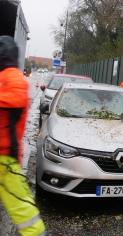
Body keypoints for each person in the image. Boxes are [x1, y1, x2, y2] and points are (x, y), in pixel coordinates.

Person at [0, 36, 46, 236]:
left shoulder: (14, 78)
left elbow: (15, 99)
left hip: (5, 158)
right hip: (5, 157)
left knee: (22, 207)